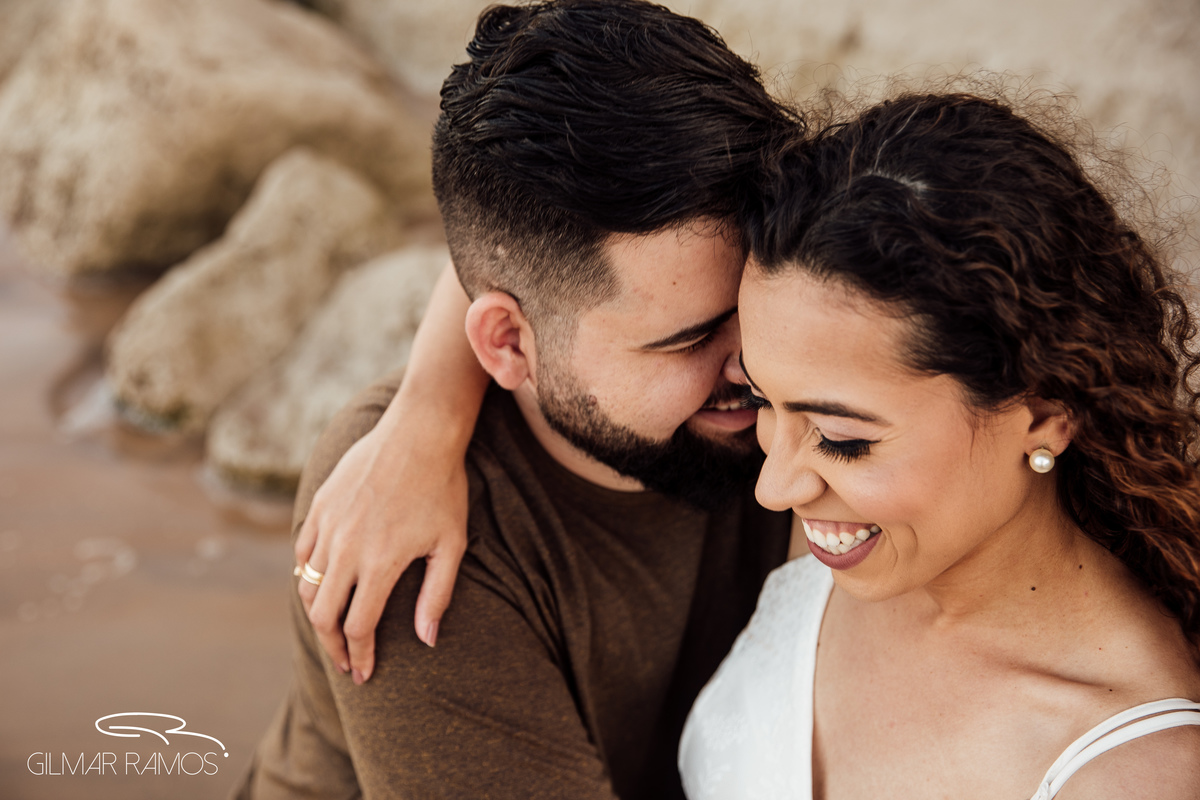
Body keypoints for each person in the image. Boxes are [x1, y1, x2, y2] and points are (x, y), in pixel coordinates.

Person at [235, 1, 800, 797]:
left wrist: (433, 402)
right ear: (506, 344)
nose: (762, 366)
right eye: (688, 340)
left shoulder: (777, 371)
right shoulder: (416, 547)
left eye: (764, 300)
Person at [678, 91, 1200, 799]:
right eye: (763, 400)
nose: (774, 488)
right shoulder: (859, 545)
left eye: (841, 439)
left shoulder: (1132, 773)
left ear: (1045, 412)